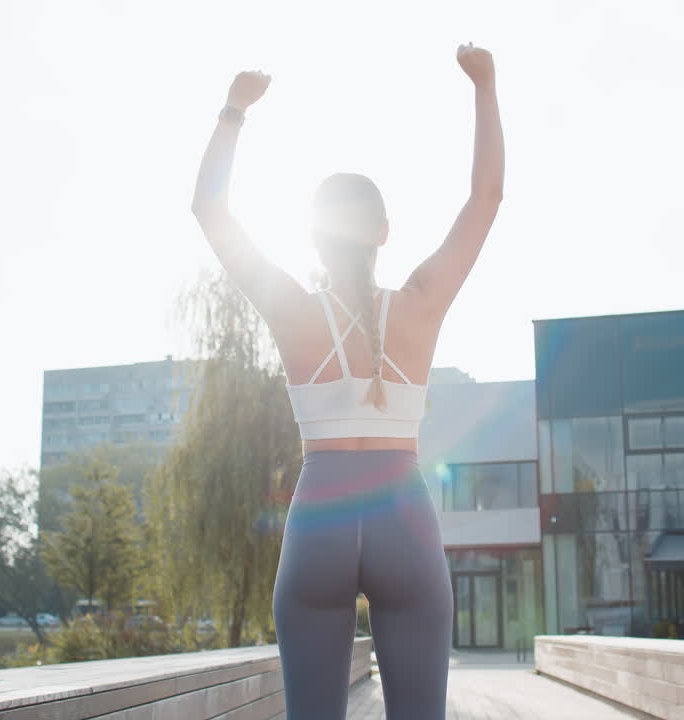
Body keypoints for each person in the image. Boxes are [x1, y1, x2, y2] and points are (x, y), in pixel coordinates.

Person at [190, 42, 503, 720]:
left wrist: (235, 109)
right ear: (385, 233)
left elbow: (211, 212)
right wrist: (484, 84)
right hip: (405, 517)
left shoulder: (294, 311)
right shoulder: (421, 302)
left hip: (319, 520)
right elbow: (486, 197)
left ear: (313, 241)